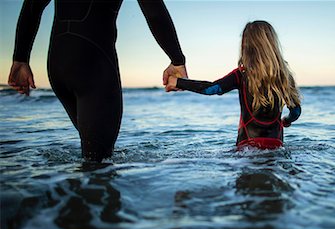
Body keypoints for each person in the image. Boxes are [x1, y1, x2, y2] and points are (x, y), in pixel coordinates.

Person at [8, 0, 187, 162]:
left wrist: (20, 59)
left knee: (93, 154)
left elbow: (32, 6)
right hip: (93, 64)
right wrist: (177, 60)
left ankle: (67, 193)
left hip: (58, 63)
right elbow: (154, 13)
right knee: (97, 164)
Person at [165, 20, 301, 149]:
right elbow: (296, 111)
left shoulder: (241, 74)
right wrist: (287, 121)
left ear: (246, 46)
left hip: (247, 146)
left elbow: (212, 89)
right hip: (276, 145)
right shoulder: (284, 76)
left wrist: (178, 82)